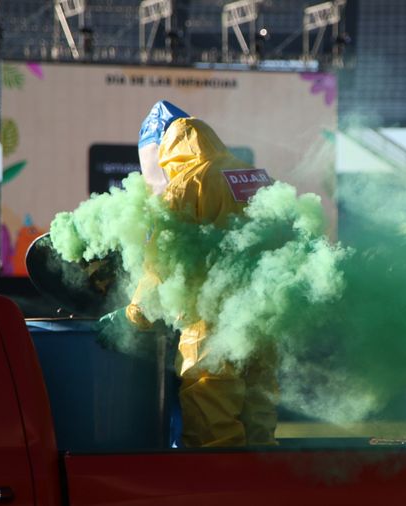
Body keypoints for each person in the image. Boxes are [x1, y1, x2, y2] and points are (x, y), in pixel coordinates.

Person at [115, 101, 279, 447]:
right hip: (263, 324)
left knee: (213, 430)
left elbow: (161, 264)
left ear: (161, 153)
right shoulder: (253, 174)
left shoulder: (185, 185)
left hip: (212, 327)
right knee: (259, 430)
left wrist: (133, 316)